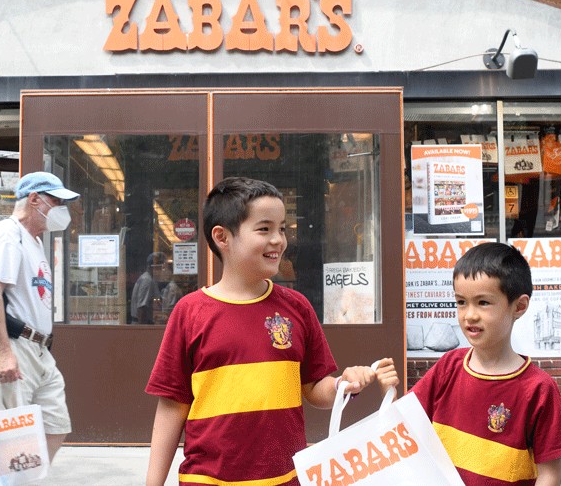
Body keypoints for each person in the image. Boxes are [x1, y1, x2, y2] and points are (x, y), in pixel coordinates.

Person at [145, 176, 394, 485]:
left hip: (285, 479)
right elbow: (172, 406)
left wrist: (344, 385)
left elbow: (315, 389)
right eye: (264, 229)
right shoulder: (190, 312)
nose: (278, 240)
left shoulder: (296, 307)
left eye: (282, 229)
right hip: (206, 480)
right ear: (222, 237)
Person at [395, 242, 561, 485]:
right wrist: (386, 389)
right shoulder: (448, 367)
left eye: (483, 302)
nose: (469, 314)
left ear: (519, 306)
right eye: (461, 302)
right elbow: (404, 423)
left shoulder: (539, 389)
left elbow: (550, 474)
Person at [0, 172, 79, 485]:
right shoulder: (7, 233)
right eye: (56, 200)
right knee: (5, 441)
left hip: (40, 350)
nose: (62, 209)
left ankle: (20, 481)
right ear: (34, 199)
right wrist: (4, 352)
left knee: (55, 425)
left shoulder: (32, 240)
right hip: (16, 347)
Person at [130, 252, 168, 324]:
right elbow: (142, 308)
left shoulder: (148, 278)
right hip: (141, 324)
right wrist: (144, 330)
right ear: (154, 266)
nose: (162, 270)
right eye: (161, 267)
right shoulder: (147, 280)